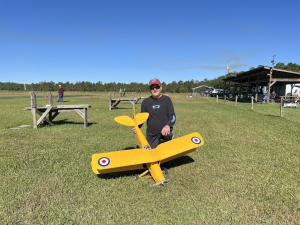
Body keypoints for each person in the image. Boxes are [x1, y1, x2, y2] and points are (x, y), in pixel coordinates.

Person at [139, 78, 176, 149]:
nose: (154, 89)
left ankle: (170, 137)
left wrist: (168, 126)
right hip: (151, 135)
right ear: (150, 89)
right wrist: (137, 126)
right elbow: (142, 117)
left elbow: (173, 116)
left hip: (165, 133)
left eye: (157, 87)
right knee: (151, 155)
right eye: (152, 87)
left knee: (167, 153)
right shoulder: (145, 102)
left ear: (161, 88)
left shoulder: (167, 100)